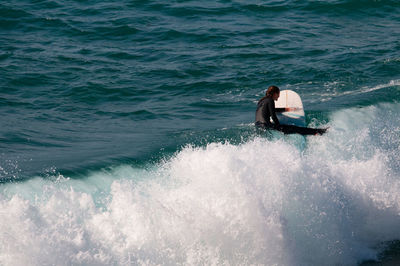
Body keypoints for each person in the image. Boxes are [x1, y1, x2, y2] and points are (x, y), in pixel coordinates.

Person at [255, 85, 327, 135]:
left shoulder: (262, 101)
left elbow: (272, 110)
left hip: (258, 126)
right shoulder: (270, 100)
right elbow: (273, 115)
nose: (279, 97)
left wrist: (286, 109)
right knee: (295, 128)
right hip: (266, 125)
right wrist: (279, 127)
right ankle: (318, 132)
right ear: (275, 93)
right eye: (278, 94)